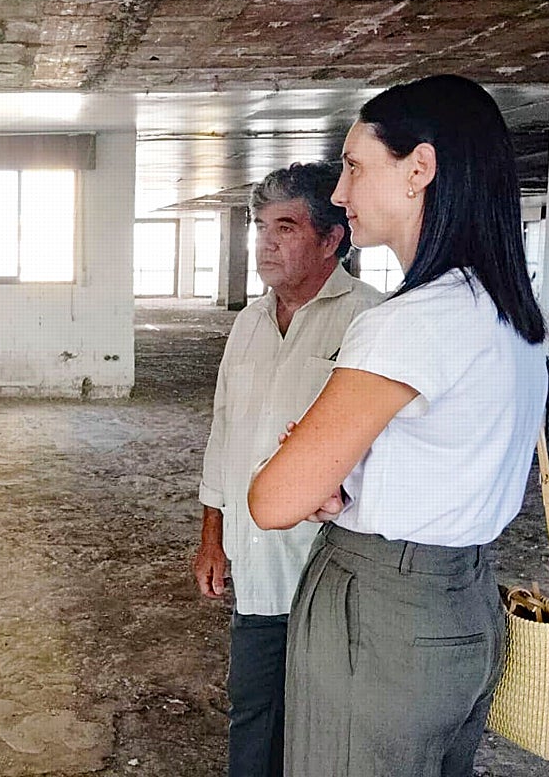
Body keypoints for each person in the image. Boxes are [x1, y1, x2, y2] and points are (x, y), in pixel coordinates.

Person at [248, 74, 548, 777]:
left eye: (355, 166)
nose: (342, 192)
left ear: (420, 168)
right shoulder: (508, 311)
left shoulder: (411, 323)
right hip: (465, 601)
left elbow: (273, 501)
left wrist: (313, 473)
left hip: (383, 608)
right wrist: (341, 477)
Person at [193, 163, 382, 777]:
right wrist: (212, 537)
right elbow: (225, 435)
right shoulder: (248, 322)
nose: (265, 242)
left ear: (332, 239)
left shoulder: (370, 322)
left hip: (335, 570)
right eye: (259, 226)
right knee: (253, 707)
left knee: (329, 718)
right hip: (257, 565)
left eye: (286, 226)